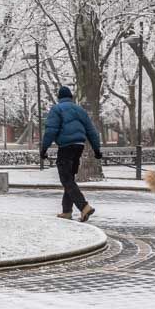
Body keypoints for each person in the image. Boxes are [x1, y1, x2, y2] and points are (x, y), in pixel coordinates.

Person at [40, 84, 103, 221]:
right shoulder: (79, 110)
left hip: (66, 147)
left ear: (59, 98)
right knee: (70, 179)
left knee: (66, 179)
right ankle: (67, 211)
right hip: (79, 147)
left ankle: (84, 206)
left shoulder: (57, 109)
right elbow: (91, 131)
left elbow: (50, 130)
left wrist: (44, 149)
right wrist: (97, 149)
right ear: (71, 97)